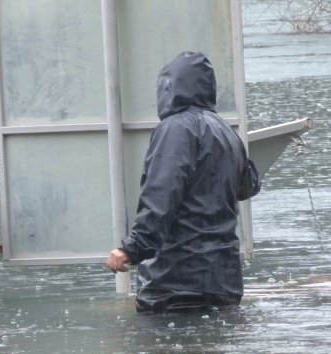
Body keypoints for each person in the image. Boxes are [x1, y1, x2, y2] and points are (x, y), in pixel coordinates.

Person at [106, 51, 261, 313]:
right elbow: (249, 186)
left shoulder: (174, 129)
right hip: (224, 280)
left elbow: (161, 197)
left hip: (175, 279)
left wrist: (132, 249)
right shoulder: (226, 132)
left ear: (168, 88)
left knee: (164, 352)